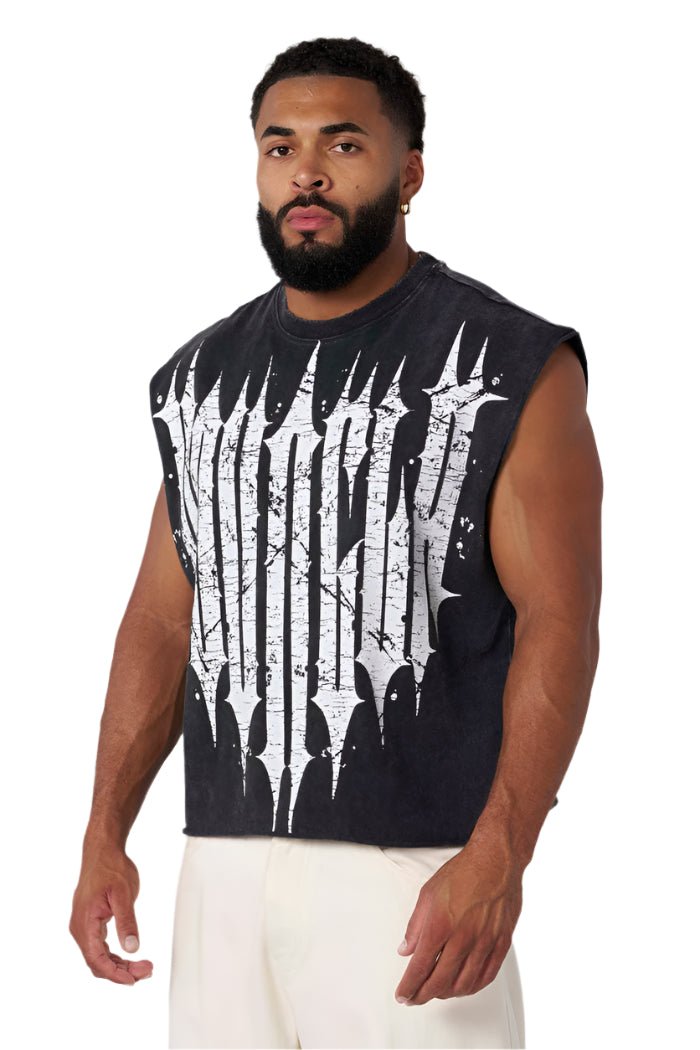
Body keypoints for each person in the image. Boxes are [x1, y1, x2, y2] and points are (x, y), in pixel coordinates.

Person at [69, 36, 602, 1050]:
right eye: (280, 147)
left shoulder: (509, 362)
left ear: (409, 174)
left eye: (343, 144)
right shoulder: (199, 378)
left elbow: (561, 619)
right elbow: (162, 620)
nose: (305, 172)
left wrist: (501, 854)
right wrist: (105, 834)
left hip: (417, 872)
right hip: (220, 870)